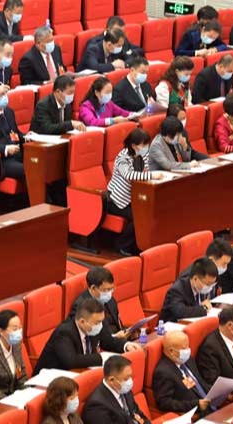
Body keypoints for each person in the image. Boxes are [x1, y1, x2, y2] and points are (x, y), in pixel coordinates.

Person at [35, 297, 138, 375]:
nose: (101, 325)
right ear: (82, 321)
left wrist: (126, 345)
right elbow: (71, 360)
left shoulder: (94, 326)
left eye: (101, 321)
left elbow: (107, 341)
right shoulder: (64, 332)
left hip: (82, 372)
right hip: (52, 378)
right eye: (97, 322)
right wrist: (102, 358)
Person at [83, 355, 158, 424]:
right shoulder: (96, 405)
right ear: (111, 380)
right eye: (126, 379)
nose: (130, 381)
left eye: (130, 377)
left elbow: (138, 414)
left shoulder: (124, 390)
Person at [107, 128, 161, 256]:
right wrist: (151, 176)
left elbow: (148, 167)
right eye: (143, 145)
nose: (146, 147)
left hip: (135, 196)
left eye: (147, 144)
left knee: (151, 212)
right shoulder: (122, 157)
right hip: (117, 200)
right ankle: (121, 244)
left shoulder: (143, 154)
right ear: (133, 145)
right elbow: (129, 175)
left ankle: (140, 243)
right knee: (139, 217)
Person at [69, 266, 140, 350]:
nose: (110, 293)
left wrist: (129, 333)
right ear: (93, 288)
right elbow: (89, 339)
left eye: (112, 288)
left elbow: (117, 326)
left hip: (117, 343)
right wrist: (116, 338)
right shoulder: (81, 307)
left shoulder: (110, 300)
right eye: (106, 290)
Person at [153, 330, 213, 418]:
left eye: (188, 346)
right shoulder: (163, 372)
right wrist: (195, 404)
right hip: (197, 415)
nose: (188, 350)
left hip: (211, 405)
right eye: (184, 348)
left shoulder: (188, 360)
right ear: (171, 351)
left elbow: (200, 382)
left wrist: (214, 392)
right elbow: (164, 403)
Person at [160, 258, 218, 323]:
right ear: (195, 279)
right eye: (208, 284)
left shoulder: (199, 287)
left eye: (212, 284)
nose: (210, 287)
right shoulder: (177, 290)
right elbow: (180, 312)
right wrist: (203, 308)